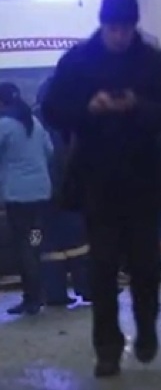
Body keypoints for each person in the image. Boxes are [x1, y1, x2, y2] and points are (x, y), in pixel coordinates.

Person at [41, 0, 161, 377]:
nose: (119, 36)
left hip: (144, 179)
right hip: (96, 181)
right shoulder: (79, 62)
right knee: (101, 268)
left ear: (133, 27)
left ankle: (147, 328)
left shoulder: (153, 63)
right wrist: (88, 109)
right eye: (114, 28)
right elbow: (52, 108)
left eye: (125, 29)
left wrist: (137, 107)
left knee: (145, 266)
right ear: (103, 25)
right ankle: (106, 347)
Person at [33, 77, 90, 307]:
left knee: (44, 243)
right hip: (67, 192)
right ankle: (87, 288)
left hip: (40, 195)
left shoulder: (35, 120)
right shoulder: (66, 119)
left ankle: (54, 293)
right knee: (78, 241)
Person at [0, 82, 54, 316]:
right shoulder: (34, 122)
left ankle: (31, 298)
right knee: (34, 241)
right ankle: (39, 293)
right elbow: (49, 152)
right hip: (41, 194)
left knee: (23, 245)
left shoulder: (4, 125)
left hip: (18, 197)